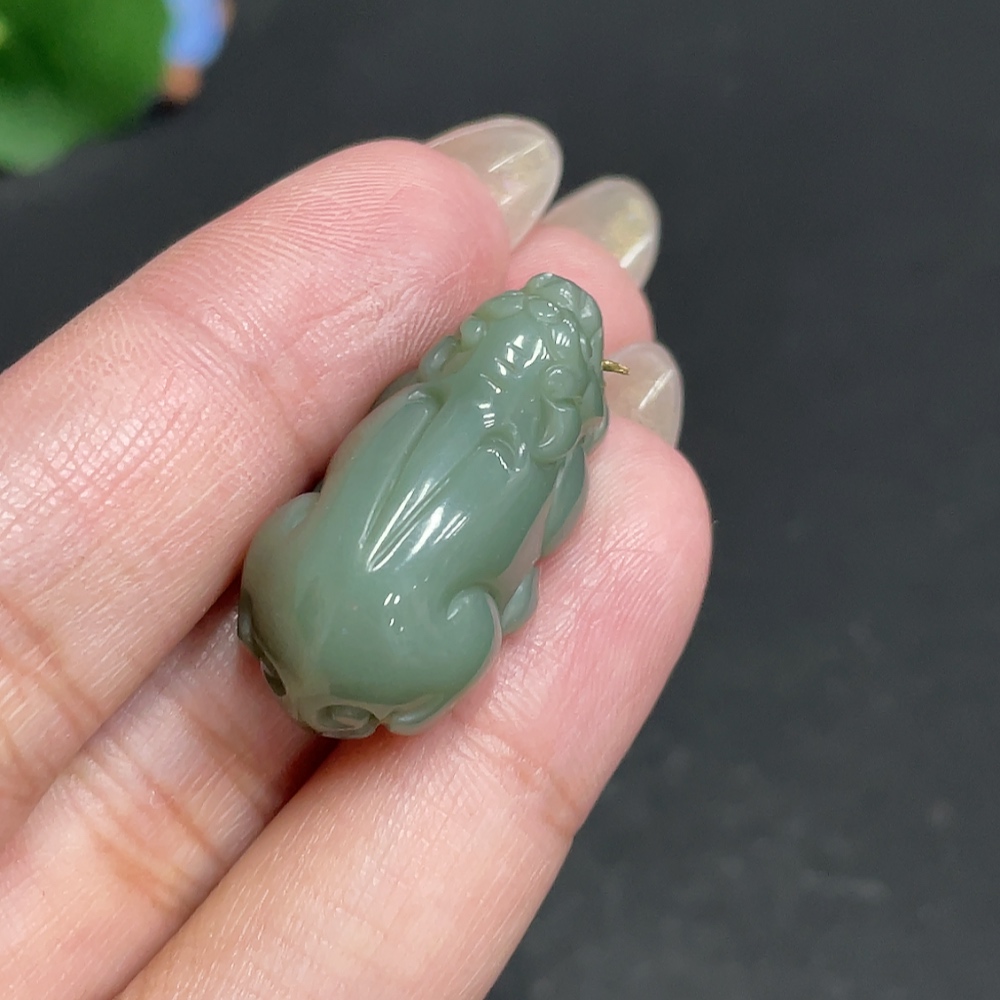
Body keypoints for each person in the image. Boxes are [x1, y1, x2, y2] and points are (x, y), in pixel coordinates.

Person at [0, 115, 710, 998]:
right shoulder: (543, 470)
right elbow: (529, 557)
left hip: (296, 593)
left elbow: (367, 467)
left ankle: (282, 637)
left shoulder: (418, 399)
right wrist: (509, 595)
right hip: (394, 658)